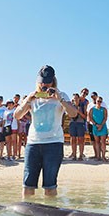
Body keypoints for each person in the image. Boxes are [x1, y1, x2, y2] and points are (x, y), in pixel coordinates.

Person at [14, 65, 77, 197]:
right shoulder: (32, 96)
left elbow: (73, 114)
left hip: (54, 143)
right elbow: (17, 115)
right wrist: (27, 101)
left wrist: (60, 99)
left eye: (47, 82)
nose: (44, 85)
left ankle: (50, 213)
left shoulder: (61, 95)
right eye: (41, 81)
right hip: (33, 143)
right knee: (28, 185)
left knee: (50, 186)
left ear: (53, 81)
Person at [88, 95, 108, 161]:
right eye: (98, 101)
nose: (99, 102)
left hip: (103, 126)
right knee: (97, 142)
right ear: (95, 101)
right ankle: (98, 156)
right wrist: (96, 124)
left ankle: (103, 156)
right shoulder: (92, 109)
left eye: (100, 101)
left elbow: (105, 118)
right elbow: (90, 118)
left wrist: (101, 125)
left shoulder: (104, 109)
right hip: (95, 126)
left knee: (103, 141)